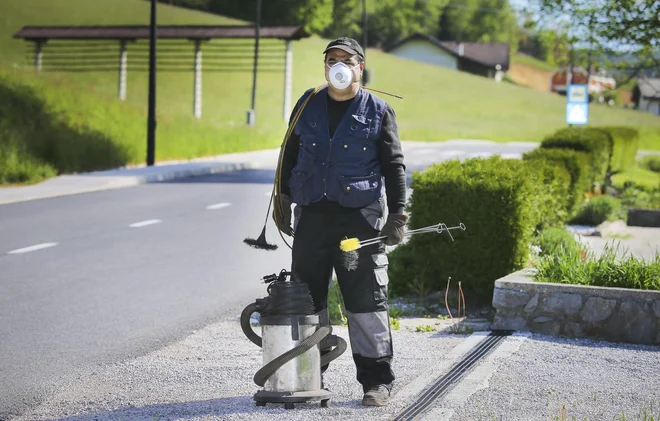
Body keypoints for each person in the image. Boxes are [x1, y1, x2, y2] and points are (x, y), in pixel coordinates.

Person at [273, 37, 408, 407]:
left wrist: (397, 215)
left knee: (366, 302)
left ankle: (377, 382)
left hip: (359, 220)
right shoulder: (307, 105)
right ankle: (308, 377)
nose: (338, 65)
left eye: (345, 59)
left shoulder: (378, 110)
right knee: (307, 301)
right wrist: (282, 197)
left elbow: (394, 166)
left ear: (359, 67)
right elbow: (290, 152)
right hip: (312, 217)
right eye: (331, 59)